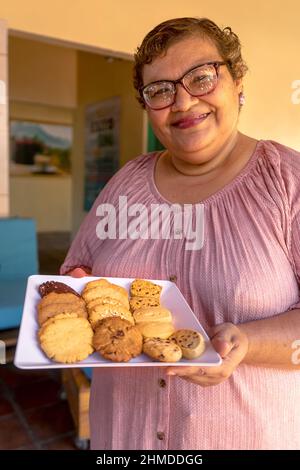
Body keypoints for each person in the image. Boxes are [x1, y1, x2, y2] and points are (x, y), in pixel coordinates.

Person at [60, 17, 300, 450]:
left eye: (202, 77)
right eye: (160, 90)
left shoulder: (287, 182)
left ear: (237, 80)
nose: (184, 101)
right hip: (122, 439)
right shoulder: (124, 183)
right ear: (148, 106)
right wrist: (77, 287)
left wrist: (249, 342)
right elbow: (80, 269)